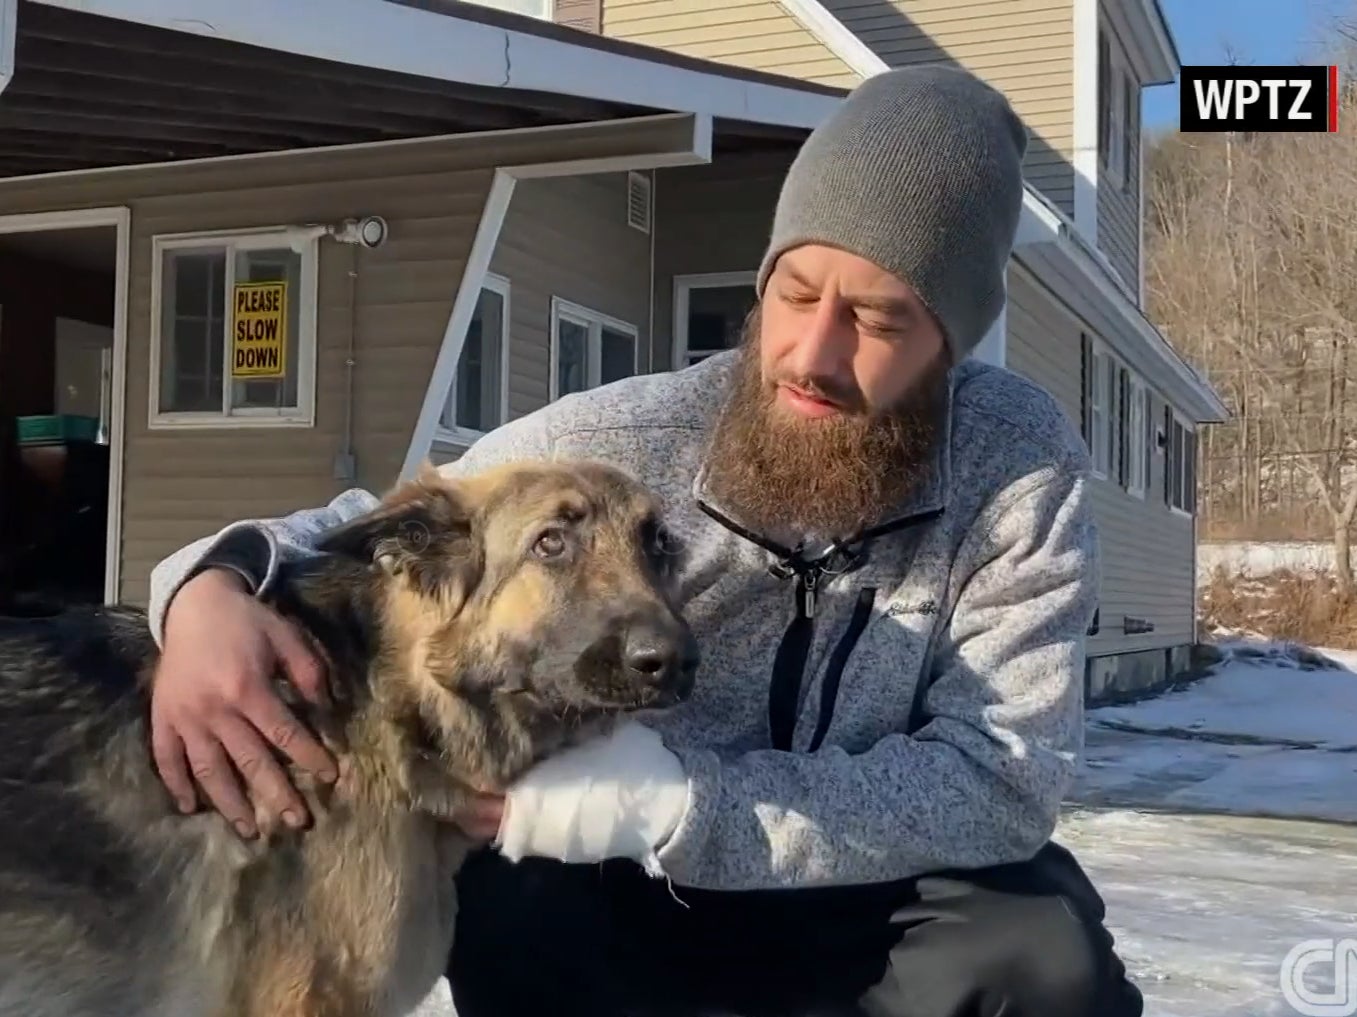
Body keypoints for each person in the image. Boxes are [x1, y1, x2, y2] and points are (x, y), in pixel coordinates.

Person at [145, 65, 1140, 1017]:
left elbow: (1003, 773)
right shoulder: (632, 437)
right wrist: (208, 593)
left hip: (865, 880)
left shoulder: (1010, 462)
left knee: (1044, 954)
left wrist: (676, 803)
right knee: (510, 898)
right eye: (794, 294)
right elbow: (367, 525)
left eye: (876, 318)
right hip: (619, 887)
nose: (813, 353)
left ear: (948, 345)